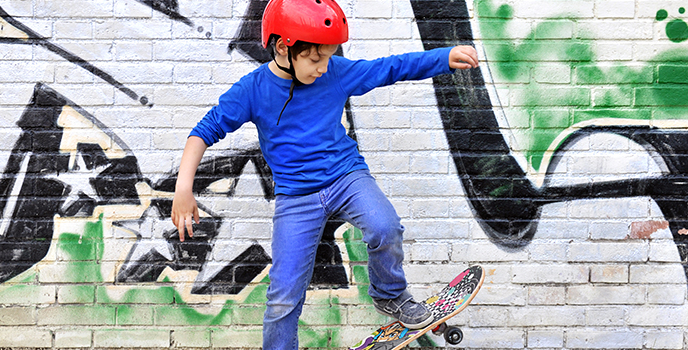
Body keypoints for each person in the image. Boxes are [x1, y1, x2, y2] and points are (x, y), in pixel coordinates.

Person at [170, 0, 479, 348]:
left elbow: (389, 68)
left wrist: (442, 58)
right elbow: (203, 132)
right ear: (284, 47)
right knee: (283, 296)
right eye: (315, 59)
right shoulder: (253, 89)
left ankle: (390, 294)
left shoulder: (335, 74)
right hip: (296, 199)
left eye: (328, 57)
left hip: (346, 177)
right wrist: (184, 189)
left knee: (385, 226)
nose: (322, 67)